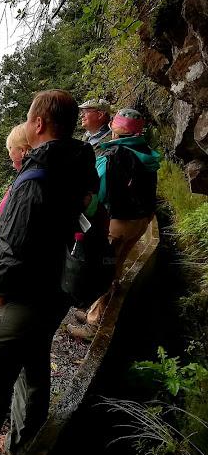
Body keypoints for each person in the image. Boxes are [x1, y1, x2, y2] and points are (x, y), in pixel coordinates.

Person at [0, 90, 99, 455]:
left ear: (38, 123)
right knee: (34, 366)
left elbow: (14, 247)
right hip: (55, 289)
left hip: (22, 296)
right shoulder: (79, 165)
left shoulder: (36, 178)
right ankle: (28, 443)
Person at [67, 108, 160, 339]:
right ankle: (97, 310)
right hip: (140, 221)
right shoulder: (147, 153)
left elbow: (97, 192)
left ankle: (93, 322)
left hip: (117, 223)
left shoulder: (112, 156)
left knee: (103, 270)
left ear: (115, 131)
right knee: (115, 267)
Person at [0, 123, 32, 215]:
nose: (9, 154)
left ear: (22, 150)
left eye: (10, 148)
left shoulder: (28, 183)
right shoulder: (27, 177)